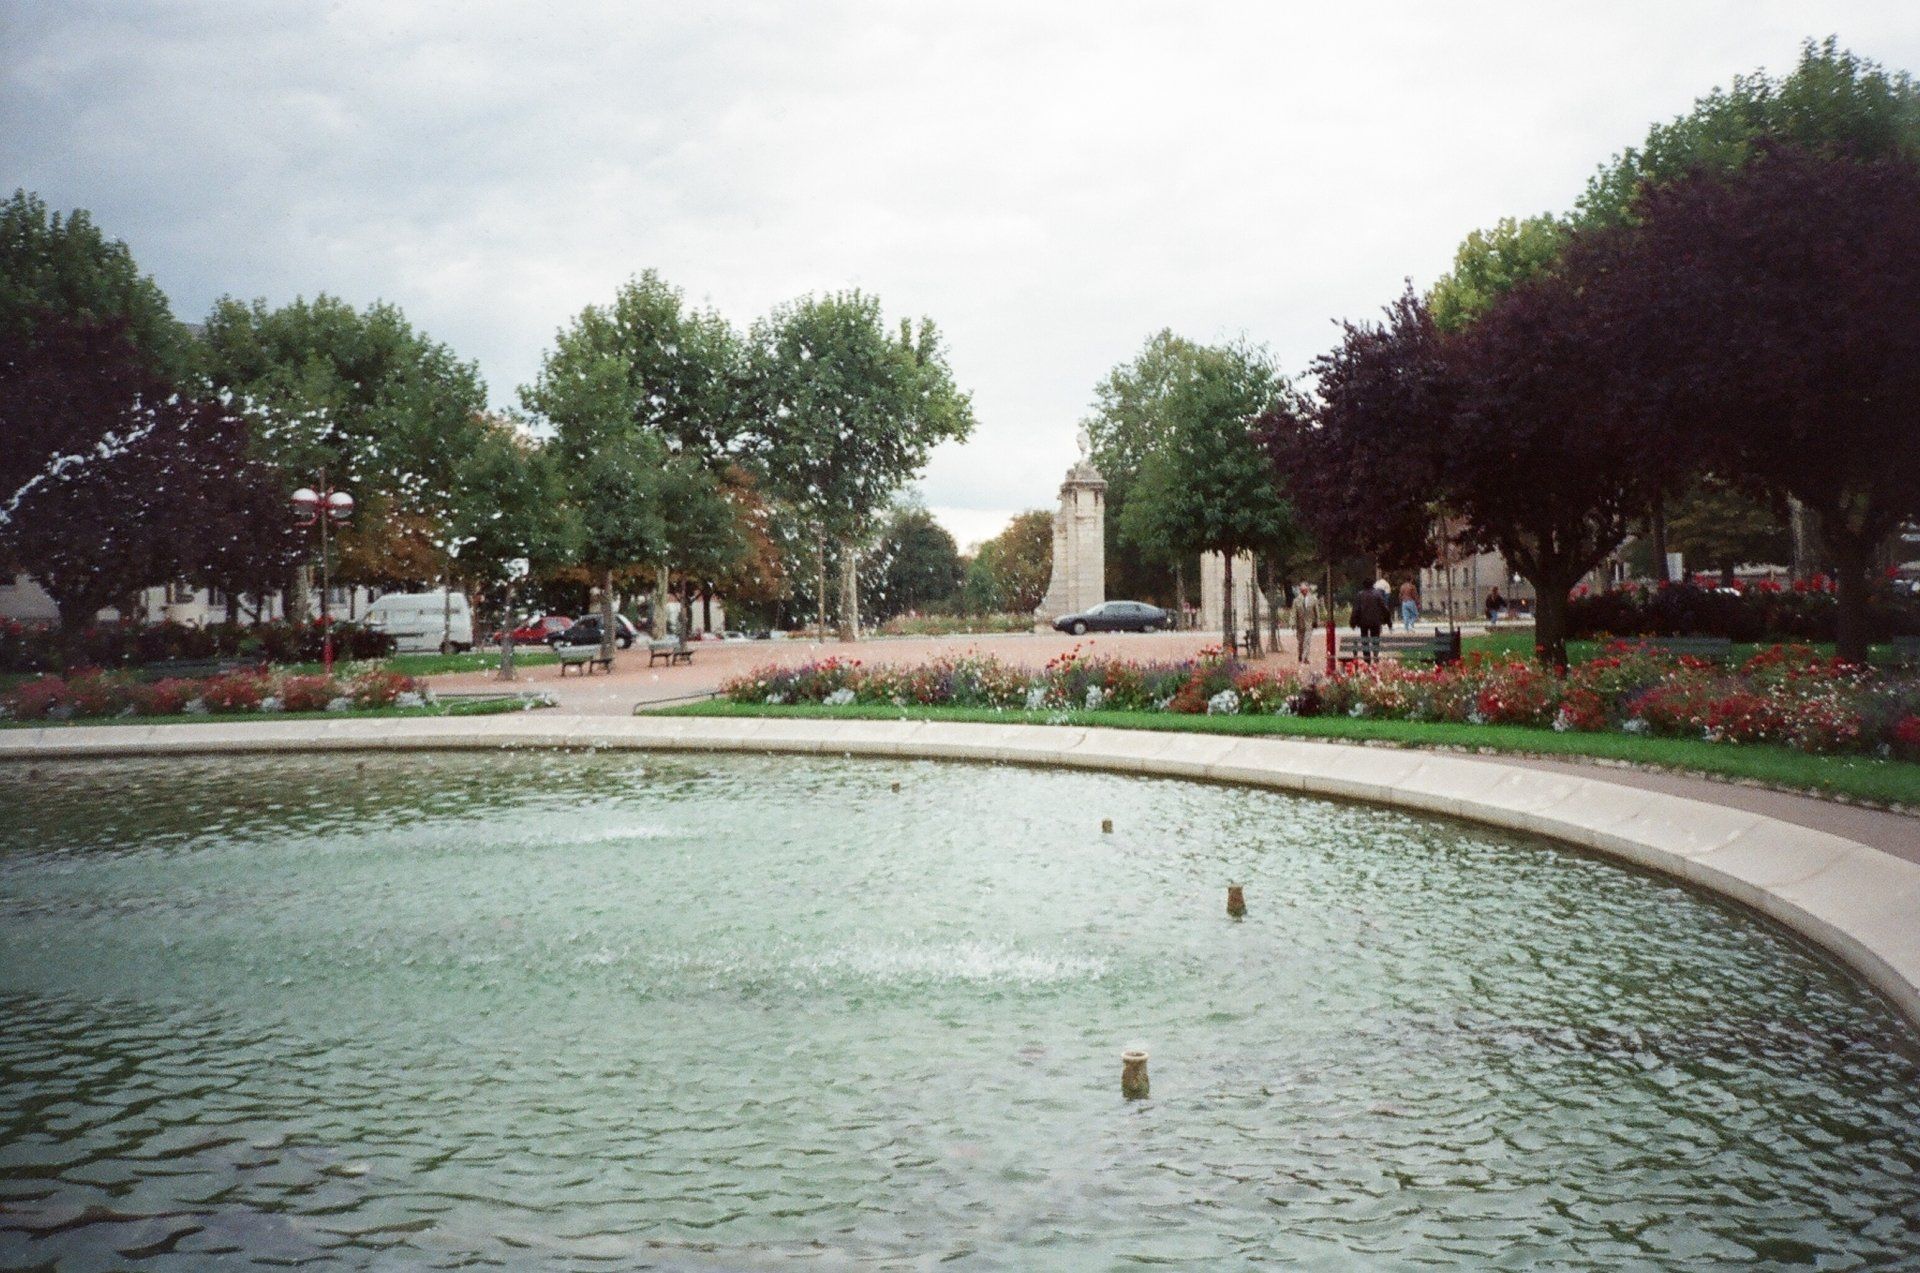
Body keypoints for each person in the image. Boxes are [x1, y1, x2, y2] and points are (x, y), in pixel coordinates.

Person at [1352, 582, 1391, 664]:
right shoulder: (1377, 595)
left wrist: (1353, 622)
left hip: (1363, 622)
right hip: (1376, 622)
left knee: (1365, 641)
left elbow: (1356, 610)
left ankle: (1367, 660)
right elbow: (1384, 608)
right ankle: (1376, 656)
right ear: (1372, 585)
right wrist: (1388, 621)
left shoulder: (1360, 595)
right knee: (1375, 639)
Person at [1291, 582, 1321, 665]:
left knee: (1307, 642)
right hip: (1299, 625)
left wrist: (1317, 622)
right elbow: (1293, 613)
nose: (1304, 591)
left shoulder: (1313, 599)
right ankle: (1300, 656)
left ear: (1307, 590)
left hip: (1309, 624)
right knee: (1300, 643)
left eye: (1305, 590)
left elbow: (1317, 612)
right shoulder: (1296, 600)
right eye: (1302, 590)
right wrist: (1292, 623)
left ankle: (1305, 658)